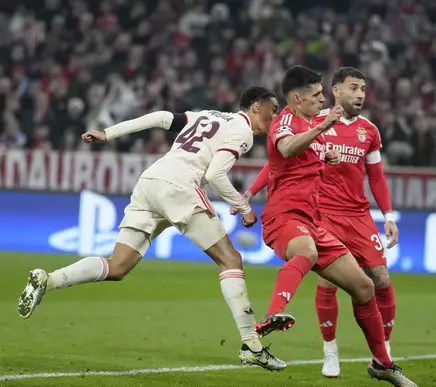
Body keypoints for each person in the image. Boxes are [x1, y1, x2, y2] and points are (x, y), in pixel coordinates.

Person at [17, 86, 287, 371]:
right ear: (256, 106)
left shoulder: (207, 115)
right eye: (274, 108)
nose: (276, 115)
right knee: (231, 260)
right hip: (180, 186)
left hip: (151, 180)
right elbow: (215, 174)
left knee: (118, 266)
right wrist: (244, 208)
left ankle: (47, 280)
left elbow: (160, 117)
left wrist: (108, 133)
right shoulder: (242, 131)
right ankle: (252, 346)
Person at [240, 65, 417, 387]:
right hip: (285, 217)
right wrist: (250, 195)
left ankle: (383, 363)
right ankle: (269, 321)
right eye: (317, 94)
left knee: (365, 287)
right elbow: (286, 149)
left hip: (316, 220)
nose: (322, 99)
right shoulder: (285, 122)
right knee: (307, 253)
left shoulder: (325, 126)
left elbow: (307, 159)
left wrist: (327, 156)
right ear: (297, 98)